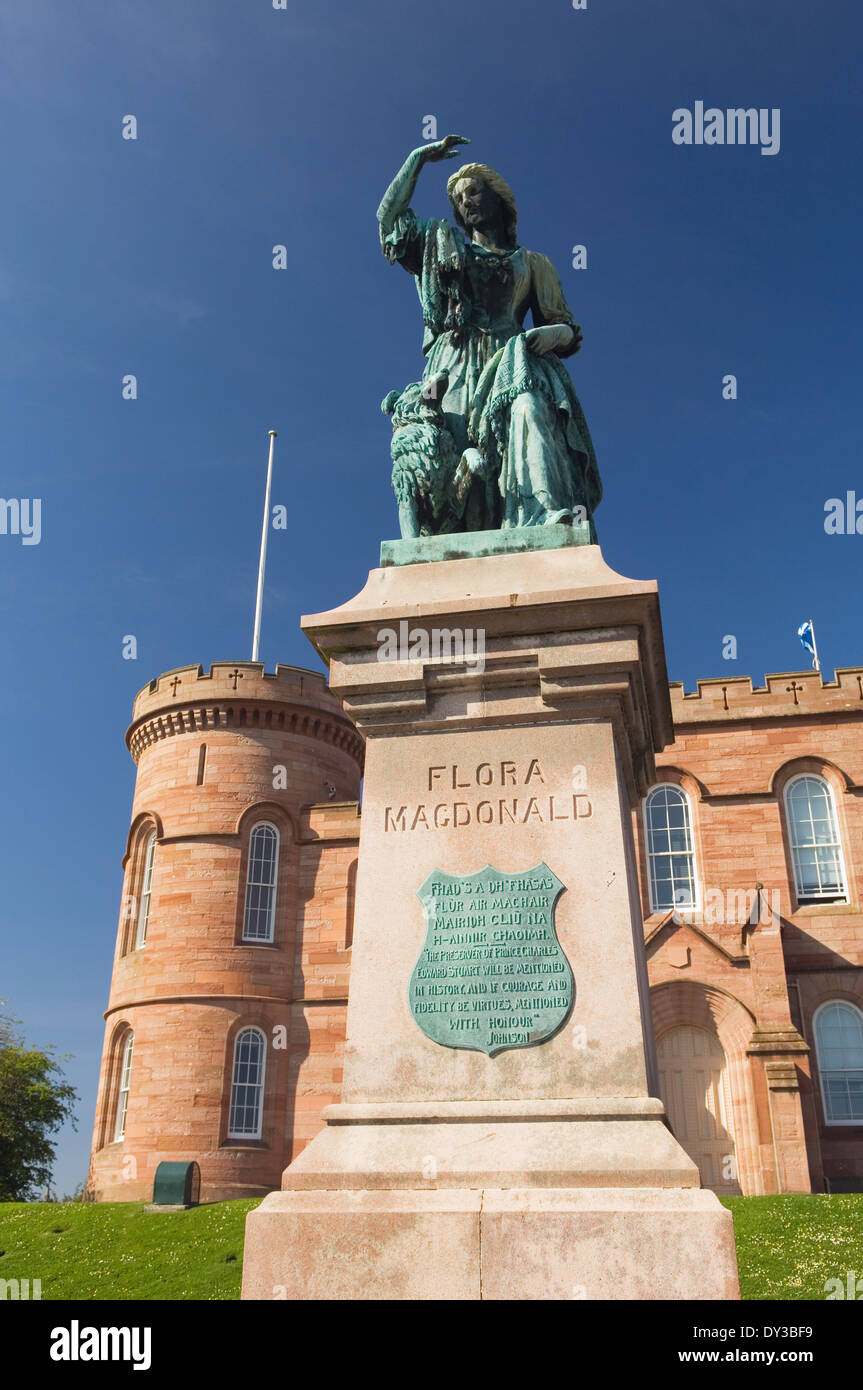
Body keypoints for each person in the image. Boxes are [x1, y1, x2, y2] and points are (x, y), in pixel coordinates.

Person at [377, 134, 602, 536]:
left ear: (499, 200)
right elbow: (389, 221)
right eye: (459, 199)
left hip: (511, 362)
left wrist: (551, 334)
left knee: (523, 425)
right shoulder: (441, 245)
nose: (466, 202)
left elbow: (568, 329)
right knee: (454, 463)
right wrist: (417, 160)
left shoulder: (534, 264)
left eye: (474, 192)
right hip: (452, 369)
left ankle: (536, 521)